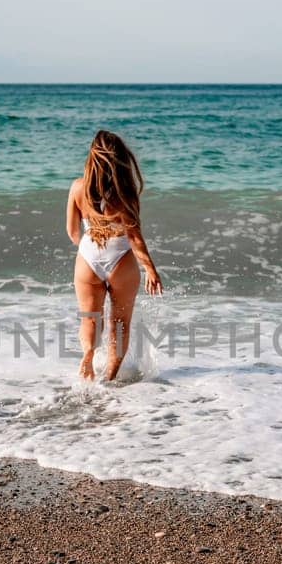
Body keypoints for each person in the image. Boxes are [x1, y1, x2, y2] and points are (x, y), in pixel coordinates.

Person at [66, 129, 163, 381]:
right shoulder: (124, 193)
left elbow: (72, 231)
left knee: (89, 317)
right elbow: (134, 237)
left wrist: (88, 245)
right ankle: (109, 377)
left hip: (88, 256)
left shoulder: (77, 187)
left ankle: (87, 356)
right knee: (119, 323)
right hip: (120, 259)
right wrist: (150, 269)